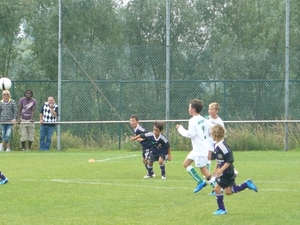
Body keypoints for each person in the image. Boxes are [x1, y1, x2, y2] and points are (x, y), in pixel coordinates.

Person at [211, 124, 258, 215]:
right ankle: (246, 184)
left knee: (217, 189)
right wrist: (216, 168)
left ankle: (222, 209)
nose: (211, 136)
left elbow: (230, 160)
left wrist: (221, 170)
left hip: (226, 172)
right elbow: (219, 159)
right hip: (224, 171)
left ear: (215, 135)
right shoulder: (216, 145)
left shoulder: (223, 147)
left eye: (211, 134)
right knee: (228, 191)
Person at [176, 99, 215, 193]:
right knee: (186, 163)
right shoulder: (202, 118)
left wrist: (180, 129)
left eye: (189, 107)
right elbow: (210, 128)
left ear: (193, 109)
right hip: (198, 148)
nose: (188, 109)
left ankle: (217, 188)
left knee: (204, 170)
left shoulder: (193, 120)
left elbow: (191, 134)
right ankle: (200, 181)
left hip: (200, 149)